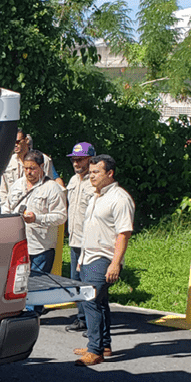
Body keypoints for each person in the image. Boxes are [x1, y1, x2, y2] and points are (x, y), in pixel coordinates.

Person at [74, 155, 135, 367]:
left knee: (90, 301)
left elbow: (123, 233)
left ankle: (95, 350)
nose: (91, 176)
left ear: (110, 173)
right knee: (100, 303)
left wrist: (115, 263)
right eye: (90, 172)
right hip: (89, 256)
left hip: (104, 257)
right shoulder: (95, 196)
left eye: (96, 172)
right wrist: (81, 258)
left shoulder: (119, 198)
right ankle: (104, 344)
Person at [5, 150, 67, 277]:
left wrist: (36, 218)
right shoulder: (17, 185)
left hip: (41, 248)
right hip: (18, 246)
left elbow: (61, 216)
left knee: (38, 285)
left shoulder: (52, 188)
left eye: (32, 168)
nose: (28, 172)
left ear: (42, 167)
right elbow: (7, 208)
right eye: (26, 168)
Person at [64, 141, 97, 332]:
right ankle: (81, 318)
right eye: (74, 159)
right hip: (75, 238)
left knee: (88, 282)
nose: (76, 163)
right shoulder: (73, 180)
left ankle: (93, 324)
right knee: (76, 281)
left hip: (90, 241)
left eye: (80, 159)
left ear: (90, 159)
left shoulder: (94, 183)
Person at [0, 131, 57, 213]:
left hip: (36, 213)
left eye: (17, 141)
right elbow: (3, 191)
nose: (15, 144)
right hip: (13, 212)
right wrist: (5, 212)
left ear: (26, 140)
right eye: (12, 142)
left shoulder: (43, 159)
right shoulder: (8, 162)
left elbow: (49, 188)